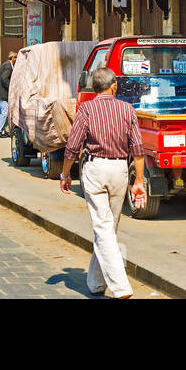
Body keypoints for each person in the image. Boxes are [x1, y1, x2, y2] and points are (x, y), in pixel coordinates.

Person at [59, 67, 145, 299]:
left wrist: (65, 174)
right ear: (114, 85)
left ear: (94, 88)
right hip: (119, 170)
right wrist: (139, 180)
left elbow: (72, 147)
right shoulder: (127, 109)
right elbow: (138, 149)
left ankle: (120, 287)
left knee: (104, 228)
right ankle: (96, 282)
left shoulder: (86, 109)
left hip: (95, 169)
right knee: (107, 227)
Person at [0, 50, 17, 138]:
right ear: (13, 58)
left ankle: (1, 131)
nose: (17, 59)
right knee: (4, 113)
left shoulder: (7, 65)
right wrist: (11, 88)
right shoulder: (8, 66)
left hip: (2, 93)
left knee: (4, 112)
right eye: (16, 57)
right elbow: (4, 78)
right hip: (3, 93)